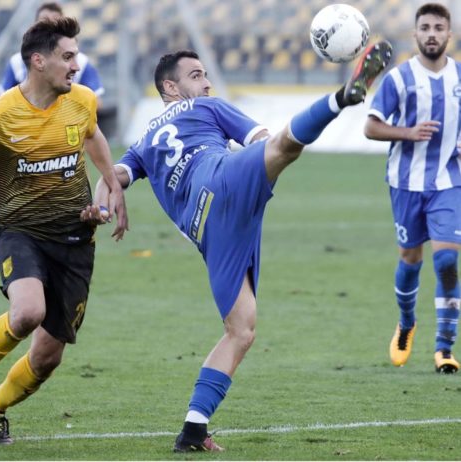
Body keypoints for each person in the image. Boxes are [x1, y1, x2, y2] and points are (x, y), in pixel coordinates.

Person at [94, 43, 392, 452]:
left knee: (241, 330)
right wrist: (263, 160)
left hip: (208, 230)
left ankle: (192, 431)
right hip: (220, 178)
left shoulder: (142, 144)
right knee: (284, 147)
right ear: (170, 87)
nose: (207, 82)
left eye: (205, 74)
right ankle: (342, 97)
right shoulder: (208, 107)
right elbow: (264, 140)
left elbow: (111, 177)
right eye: (196, 75)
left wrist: (101, 208)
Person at [0, 17, 127, 444]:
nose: (76, 65)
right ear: (39, 61)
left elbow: (92, 135)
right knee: (27, 313)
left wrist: (110, 186)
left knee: (48, 357)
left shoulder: (82, 100)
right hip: (19, 232)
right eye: (68, 57)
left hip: (75, 239)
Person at [364, 3, 461, 374]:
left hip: (449, 182)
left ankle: (444, 348)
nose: (432, 34)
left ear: (449, 34)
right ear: (415, 34)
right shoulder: (398, 79)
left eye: (438, 27)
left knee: (447, 261)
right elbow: (371, 127)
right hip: (405, 183)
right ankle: (406, 323)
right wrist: (408, 132)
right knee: (410, 258)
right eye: (425, 28)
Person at [0, 2, 105, 109]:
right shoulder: (16, 62)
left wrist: (66, 112)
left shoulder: (81, 62)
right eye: (44, 21)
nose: (49, 27)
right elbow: (1, 101)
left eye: (54, 22)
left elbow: (96, 103)